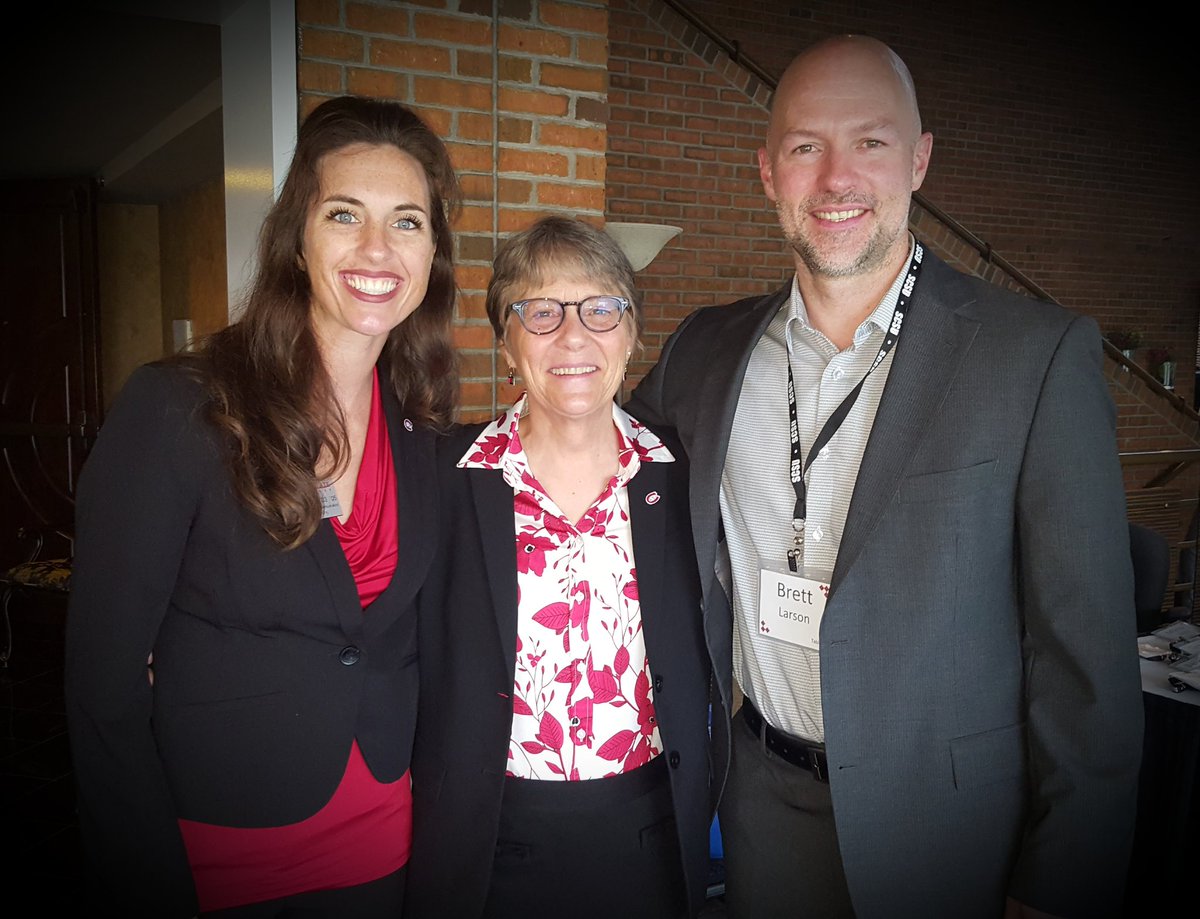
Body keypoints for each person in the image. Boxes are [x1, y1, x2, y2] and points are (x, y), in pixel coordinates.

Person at [627, 34, 1143, 919]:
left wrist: (1063, 882)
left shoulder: (1035, 355)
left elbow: (1086, 659)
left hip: (956, 833)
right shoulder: (702, 353)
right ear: (766, 171)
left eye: (869, 142)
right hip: (761, 808)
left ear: (919, 158)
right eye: (804, 148)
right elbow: (588, 473)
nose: (836, 179)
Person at [65, 95, 459, 917]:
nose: (378, 249)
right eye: (345, 214)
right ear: (297, 237)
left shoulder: (423, 428)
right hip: (226, 855)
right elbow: (101, 687)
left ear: (434, 252)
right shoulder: (181, 406)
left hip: (389, 844)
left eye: (409, 222)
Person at [404, 217, 711, 918]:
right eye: (540, 311)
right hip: (490, 844)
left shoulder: (685, 472)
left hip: (647, 836)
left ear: (631, 334)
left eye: (602, 307)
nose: (573, 335)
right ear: (506, 344)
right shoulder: (445, 478)